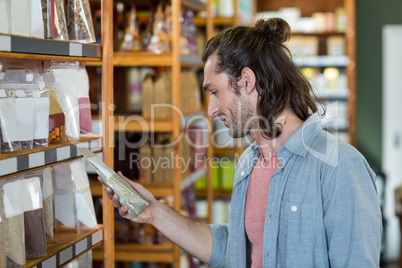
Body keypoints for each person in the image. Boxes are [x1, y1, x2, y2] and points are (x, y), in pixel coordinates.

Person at [100, 18, 382, 267]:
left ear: (246, 81)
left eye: (214, 92)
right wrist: (155, 214)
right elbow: (236, 250)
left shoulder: (339, 165)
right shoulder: (249, 162)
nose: (210, 109)